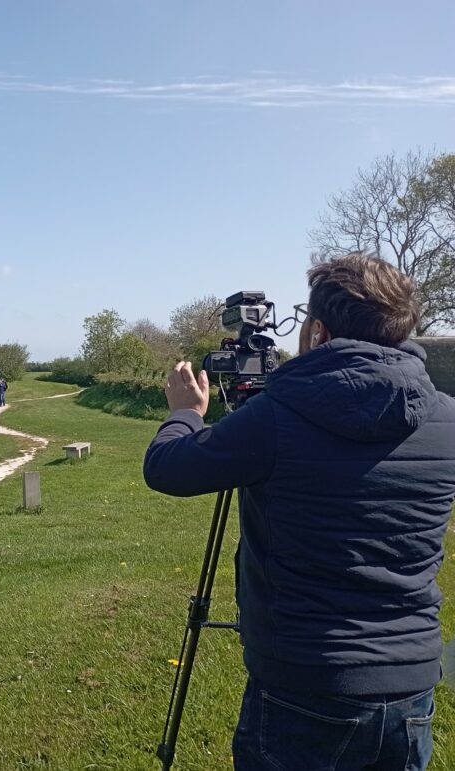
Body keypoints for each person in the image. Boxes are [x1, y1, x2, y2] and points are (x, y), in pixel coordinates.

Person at [143, 252, 455, 771]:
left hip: (306, 679)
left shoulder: (280, 414)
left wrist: (184, 415)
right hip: (412, 681)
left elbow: (168, 469)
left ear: (319, 331)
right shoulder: (446, 416)